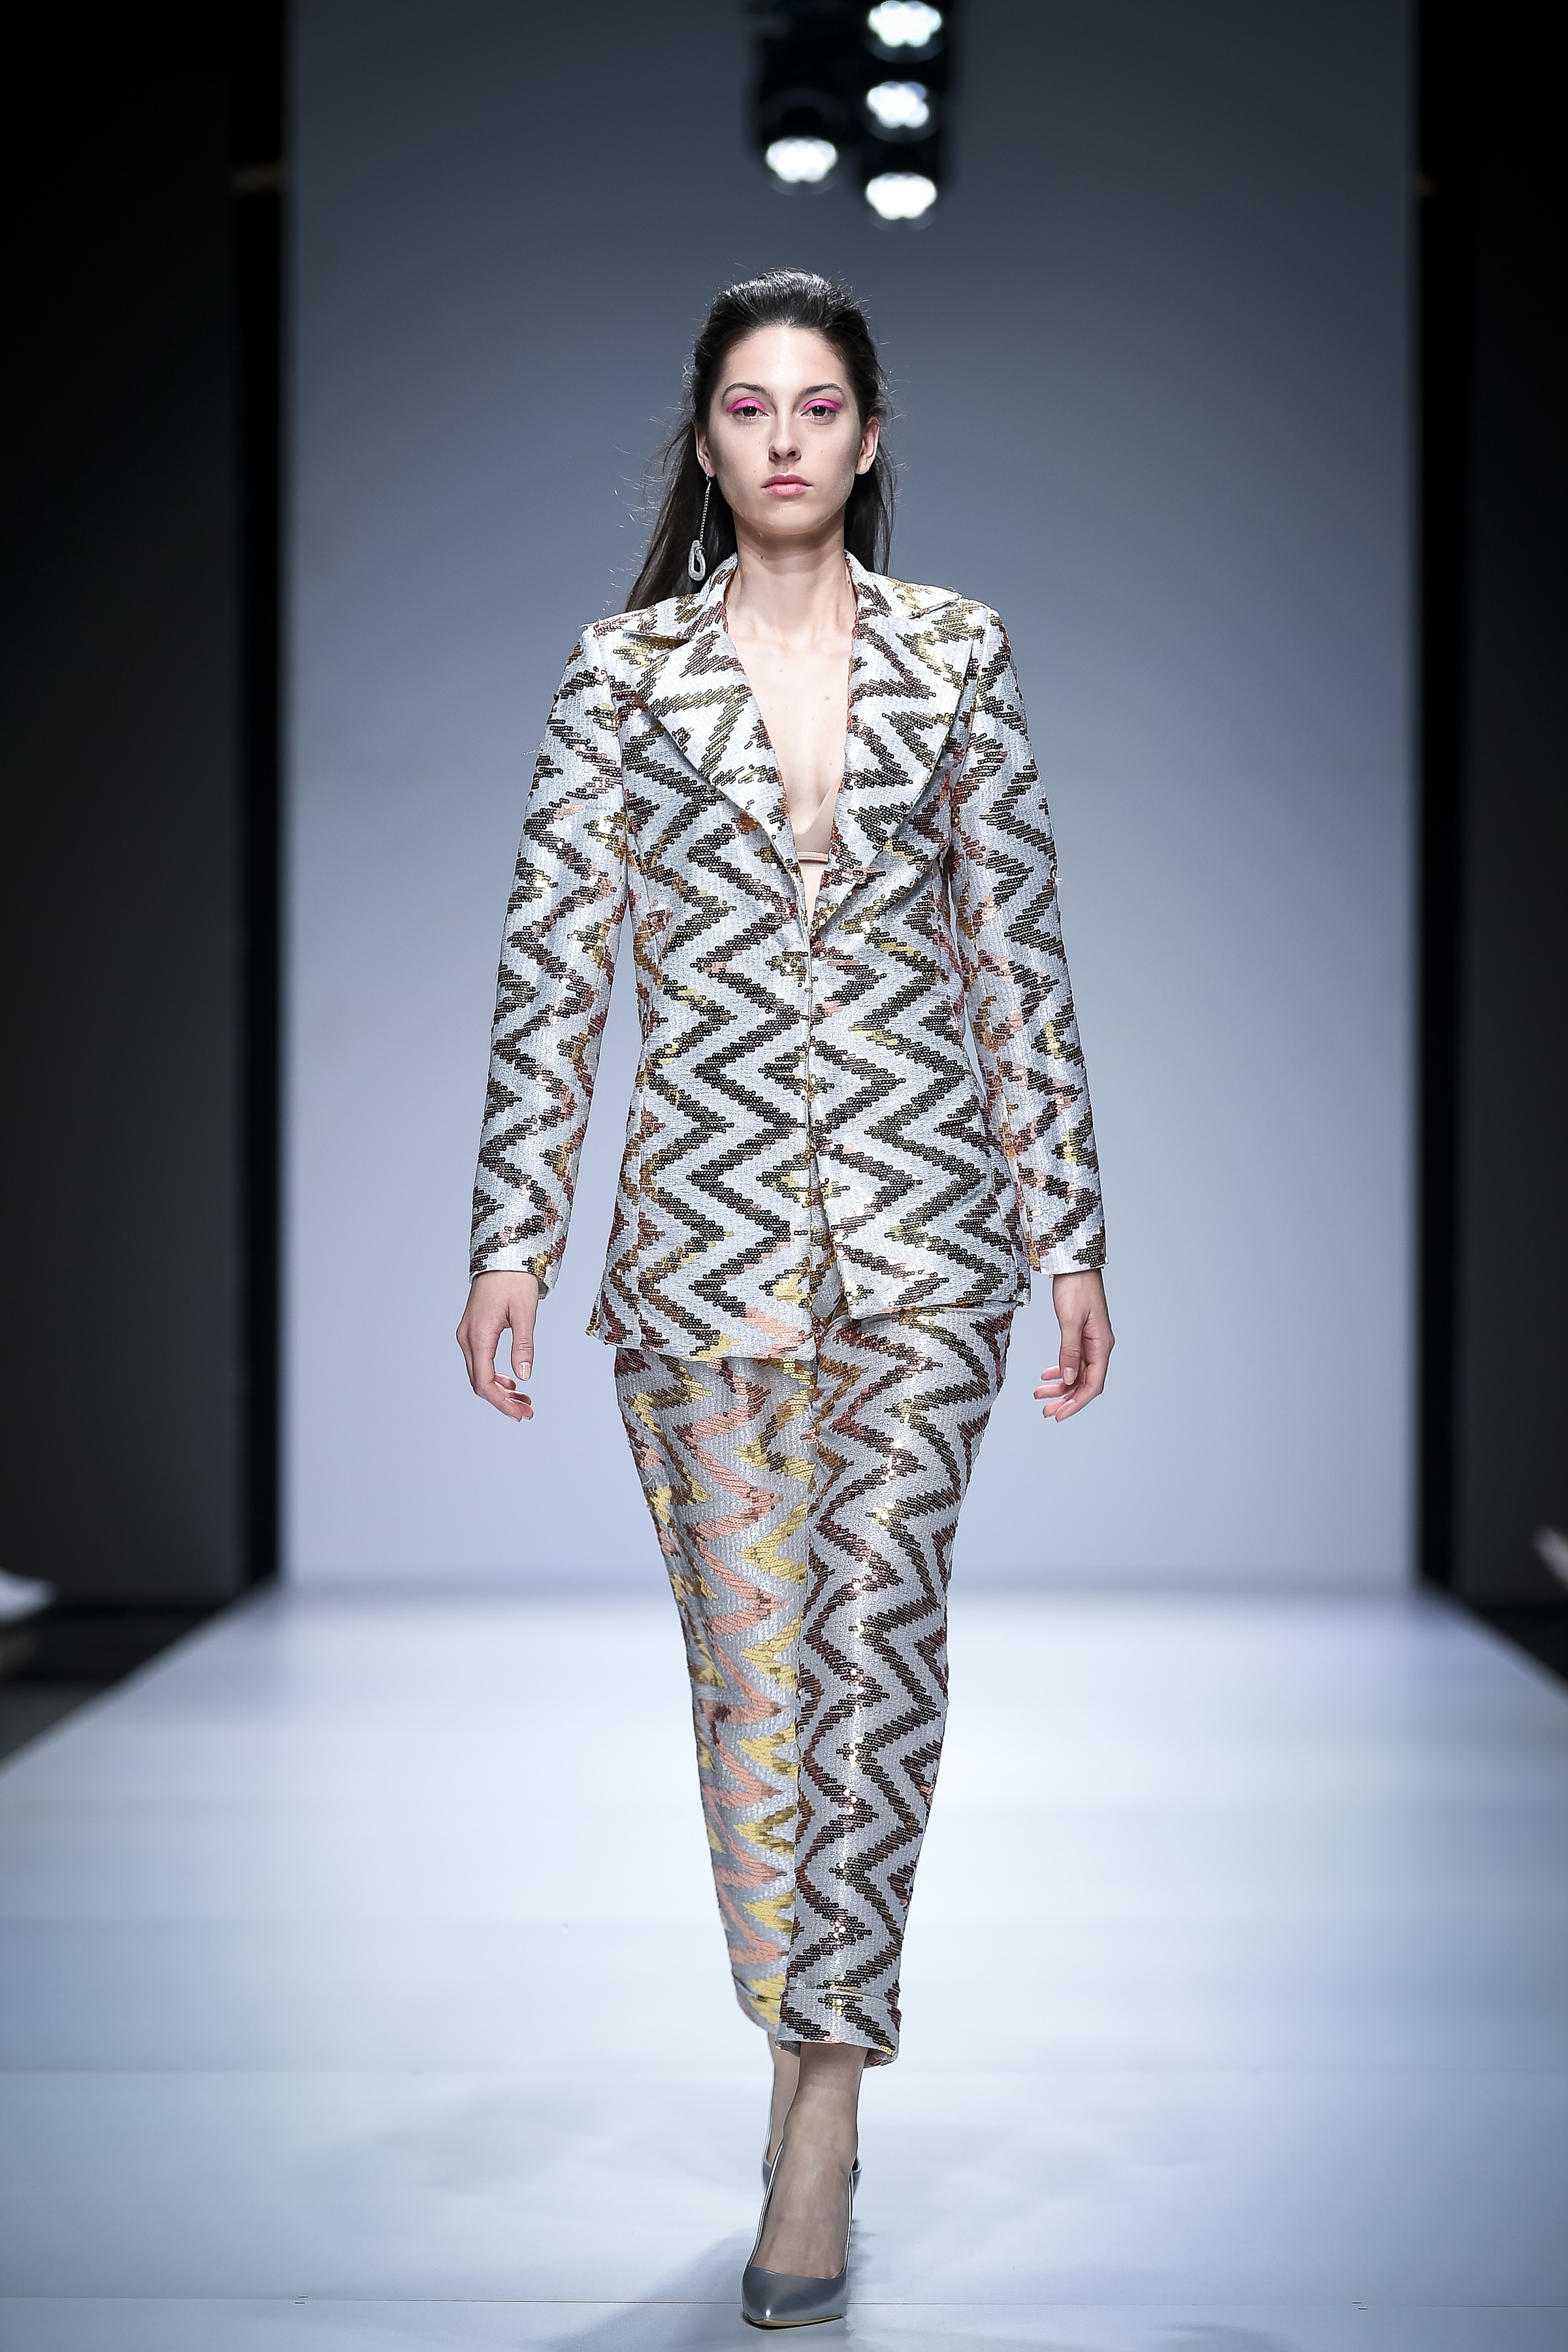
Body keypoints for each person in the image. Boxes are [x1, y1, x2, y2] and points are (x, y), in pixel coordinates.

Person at [456, 268, 1112, 2328]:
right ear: (709, 440)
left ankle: (822, 2113)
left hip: (927, 1243)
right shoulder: (621, 675)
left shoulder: (959, 656)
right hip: (698, 1252)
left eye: (820, 405)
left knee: (875, 1656)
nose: (787, 440)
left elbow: (1017, 958)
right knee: (755, 1689)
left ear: (872, 434)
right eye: (750, 407)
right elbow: (556, 962)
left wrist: (1071, 1233)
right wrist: (511, 1235)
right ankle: (791, 2030)